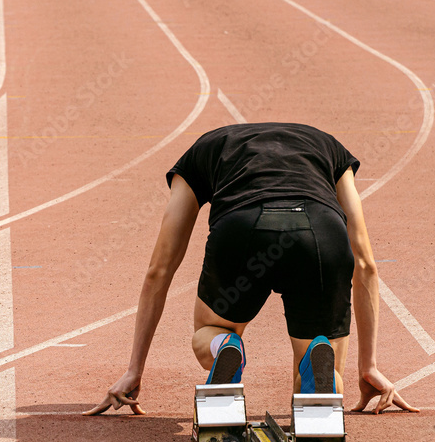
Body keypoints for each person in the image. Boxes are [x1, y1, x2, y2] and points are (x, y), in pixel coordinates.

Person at [85, 122, 417, 416]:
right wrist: (369, 365)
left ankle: (224, 348)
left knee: (211, 331)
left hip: (243, 231)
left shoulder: (203, 151)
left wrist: (134, 369)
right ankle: (317, 367)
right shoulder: (329, 147)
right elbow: (366, 264)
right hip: (319, 234)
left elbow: (160, 267)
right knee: (320, 358)